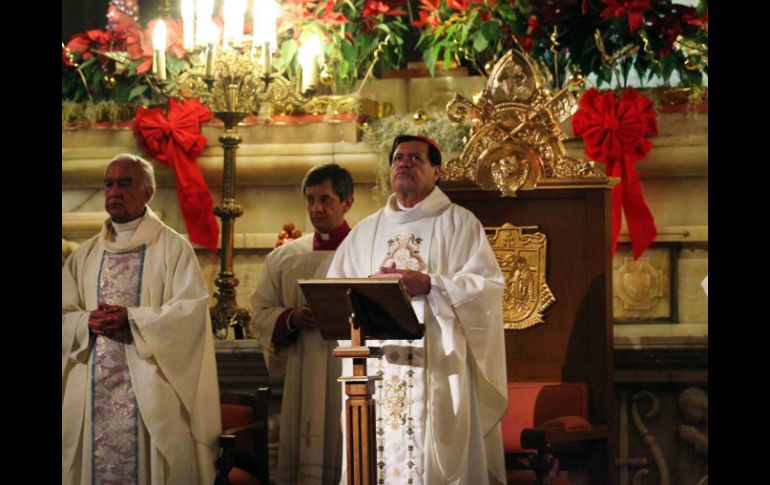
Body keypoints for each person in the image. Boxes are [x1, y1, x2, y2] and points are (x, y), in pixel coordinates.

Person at [327, 135, 508, 484]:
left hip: (438, 366)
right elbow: (336, 295)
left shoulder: (460, 223)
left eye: (415, 158)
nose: (403, 163)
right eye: (398, 158)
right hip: (376, 370)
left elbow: (486, 288)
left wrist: (430, 285)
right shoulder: (366, 231)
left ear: (437, 171)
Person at [62, 154, 221, 485]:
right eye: (108, 184)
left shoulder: (173, 249)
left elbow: (190, 313)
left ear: (148, 192)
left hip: (150, 393)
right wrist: (86, 323)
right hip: (93, 393)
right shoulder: (84, 255)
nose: (114, 192)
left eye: (124, 183)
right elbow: (64, 314)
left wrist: (133, 321)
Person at [251, 163, 355, 484]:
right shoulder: (285, 257)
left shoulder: (366, 249)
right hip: (303, 367)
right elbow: (260, 312)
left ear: (347, 202)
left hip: (350, 369)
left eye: (325, 199)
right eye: (310, 200)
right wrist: (292, 319)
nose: (316, 208)